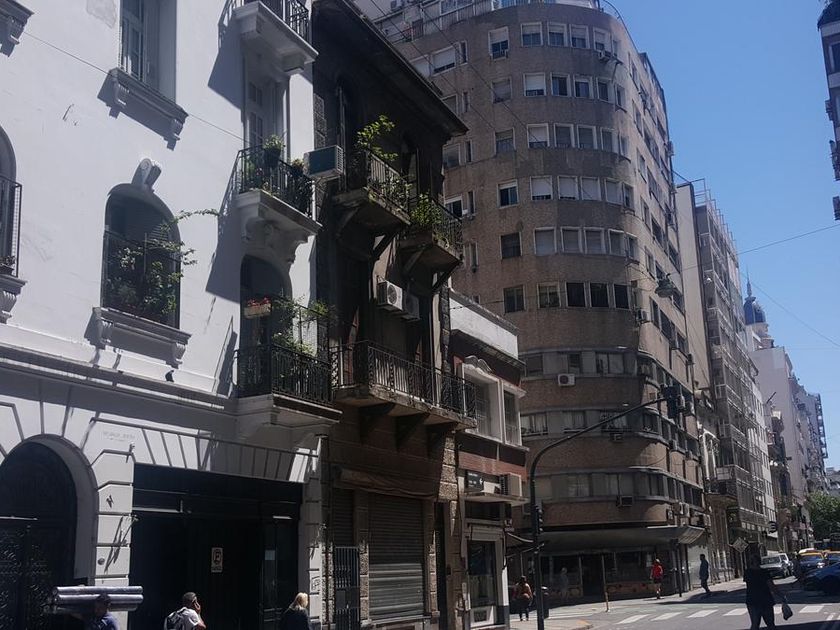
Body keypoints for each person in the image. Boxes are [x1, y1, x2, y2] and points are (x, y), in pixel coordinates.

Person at [744, 554, 784, 629]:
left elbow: (748, 584)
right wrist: (780, 595)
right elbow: (771, 586)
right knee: (770, 624)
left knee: (755, 624)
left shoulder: (747, 572)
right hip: (765, 599)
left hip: (752, 600)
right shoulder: (764, 572)